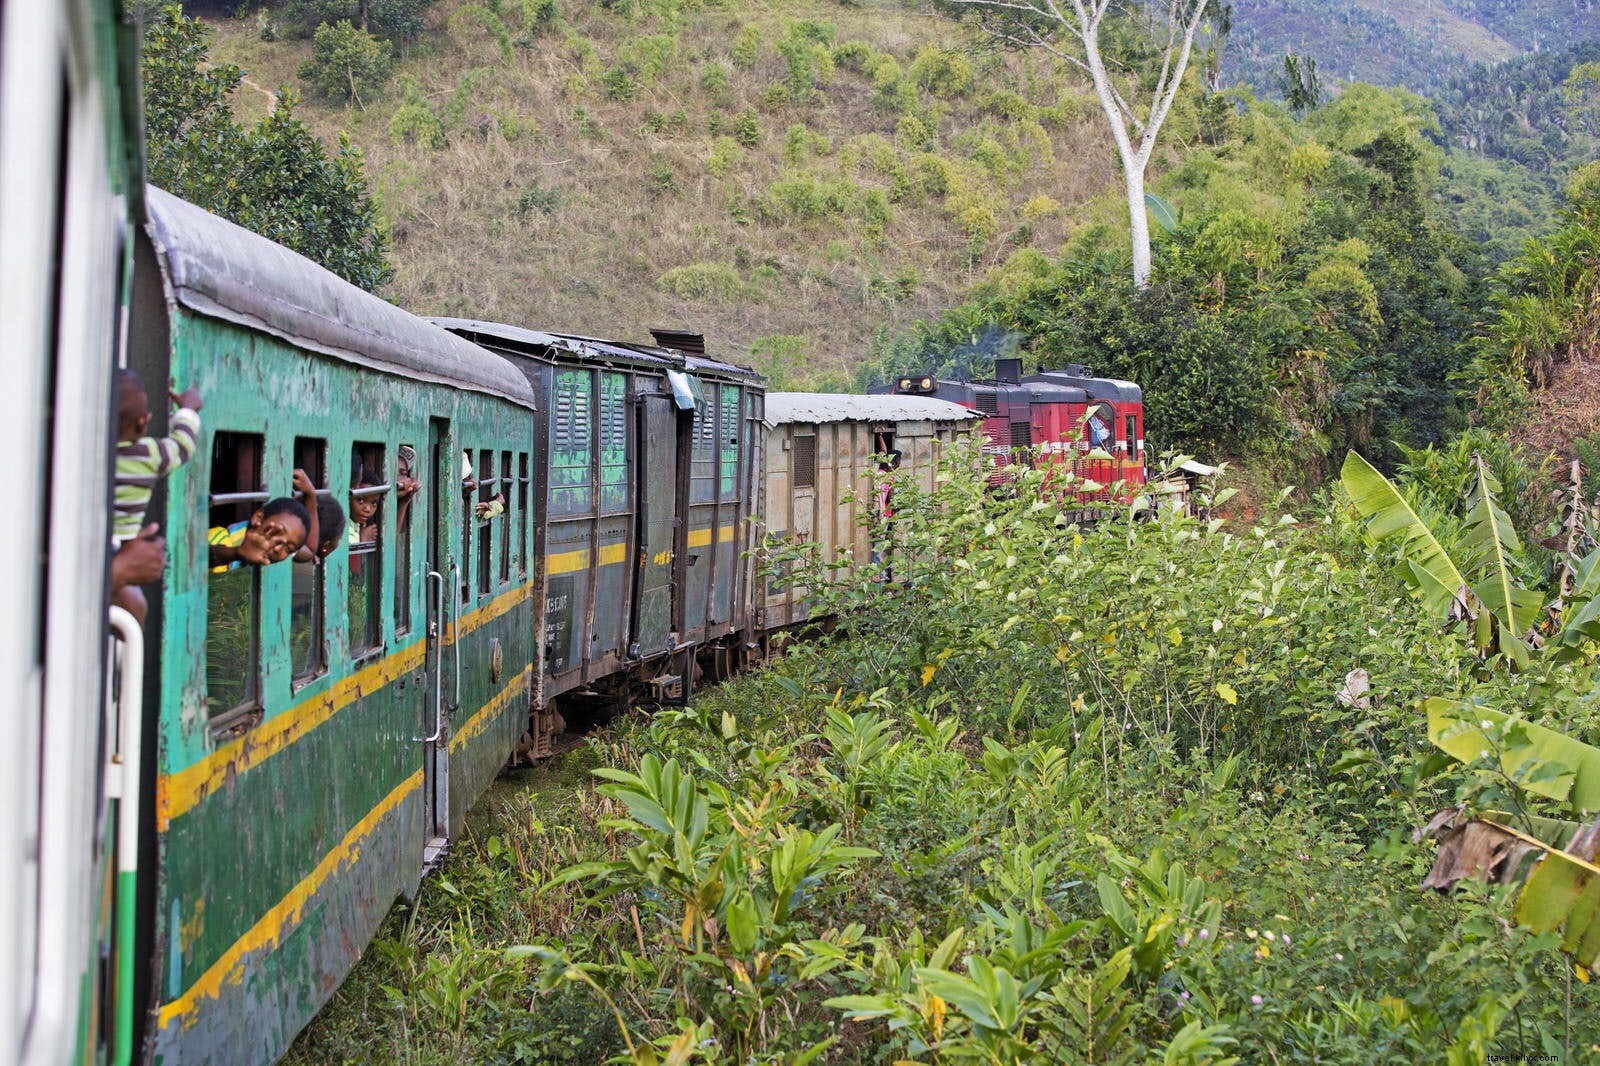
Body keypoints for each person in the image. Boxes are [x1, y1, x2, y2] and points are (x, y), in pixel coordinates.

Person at [112, 369, 201, 622]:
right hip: (123, 546)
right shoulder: (149, 455)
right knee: (134, 609)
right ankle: (122, 660)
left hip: (102, 546)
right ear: (142, 422)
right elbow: (183, 444)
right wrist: (188, 410)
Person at [208, 473, 316, 571]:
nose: (278, 549)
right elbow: (199, 557)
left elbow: (309, 551)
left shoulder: (273, 551)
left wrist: (311, 495)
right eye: (276, 533)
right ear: (258, 518)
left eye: (288, 549)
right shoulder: (221, 537)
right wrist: (236, 553)